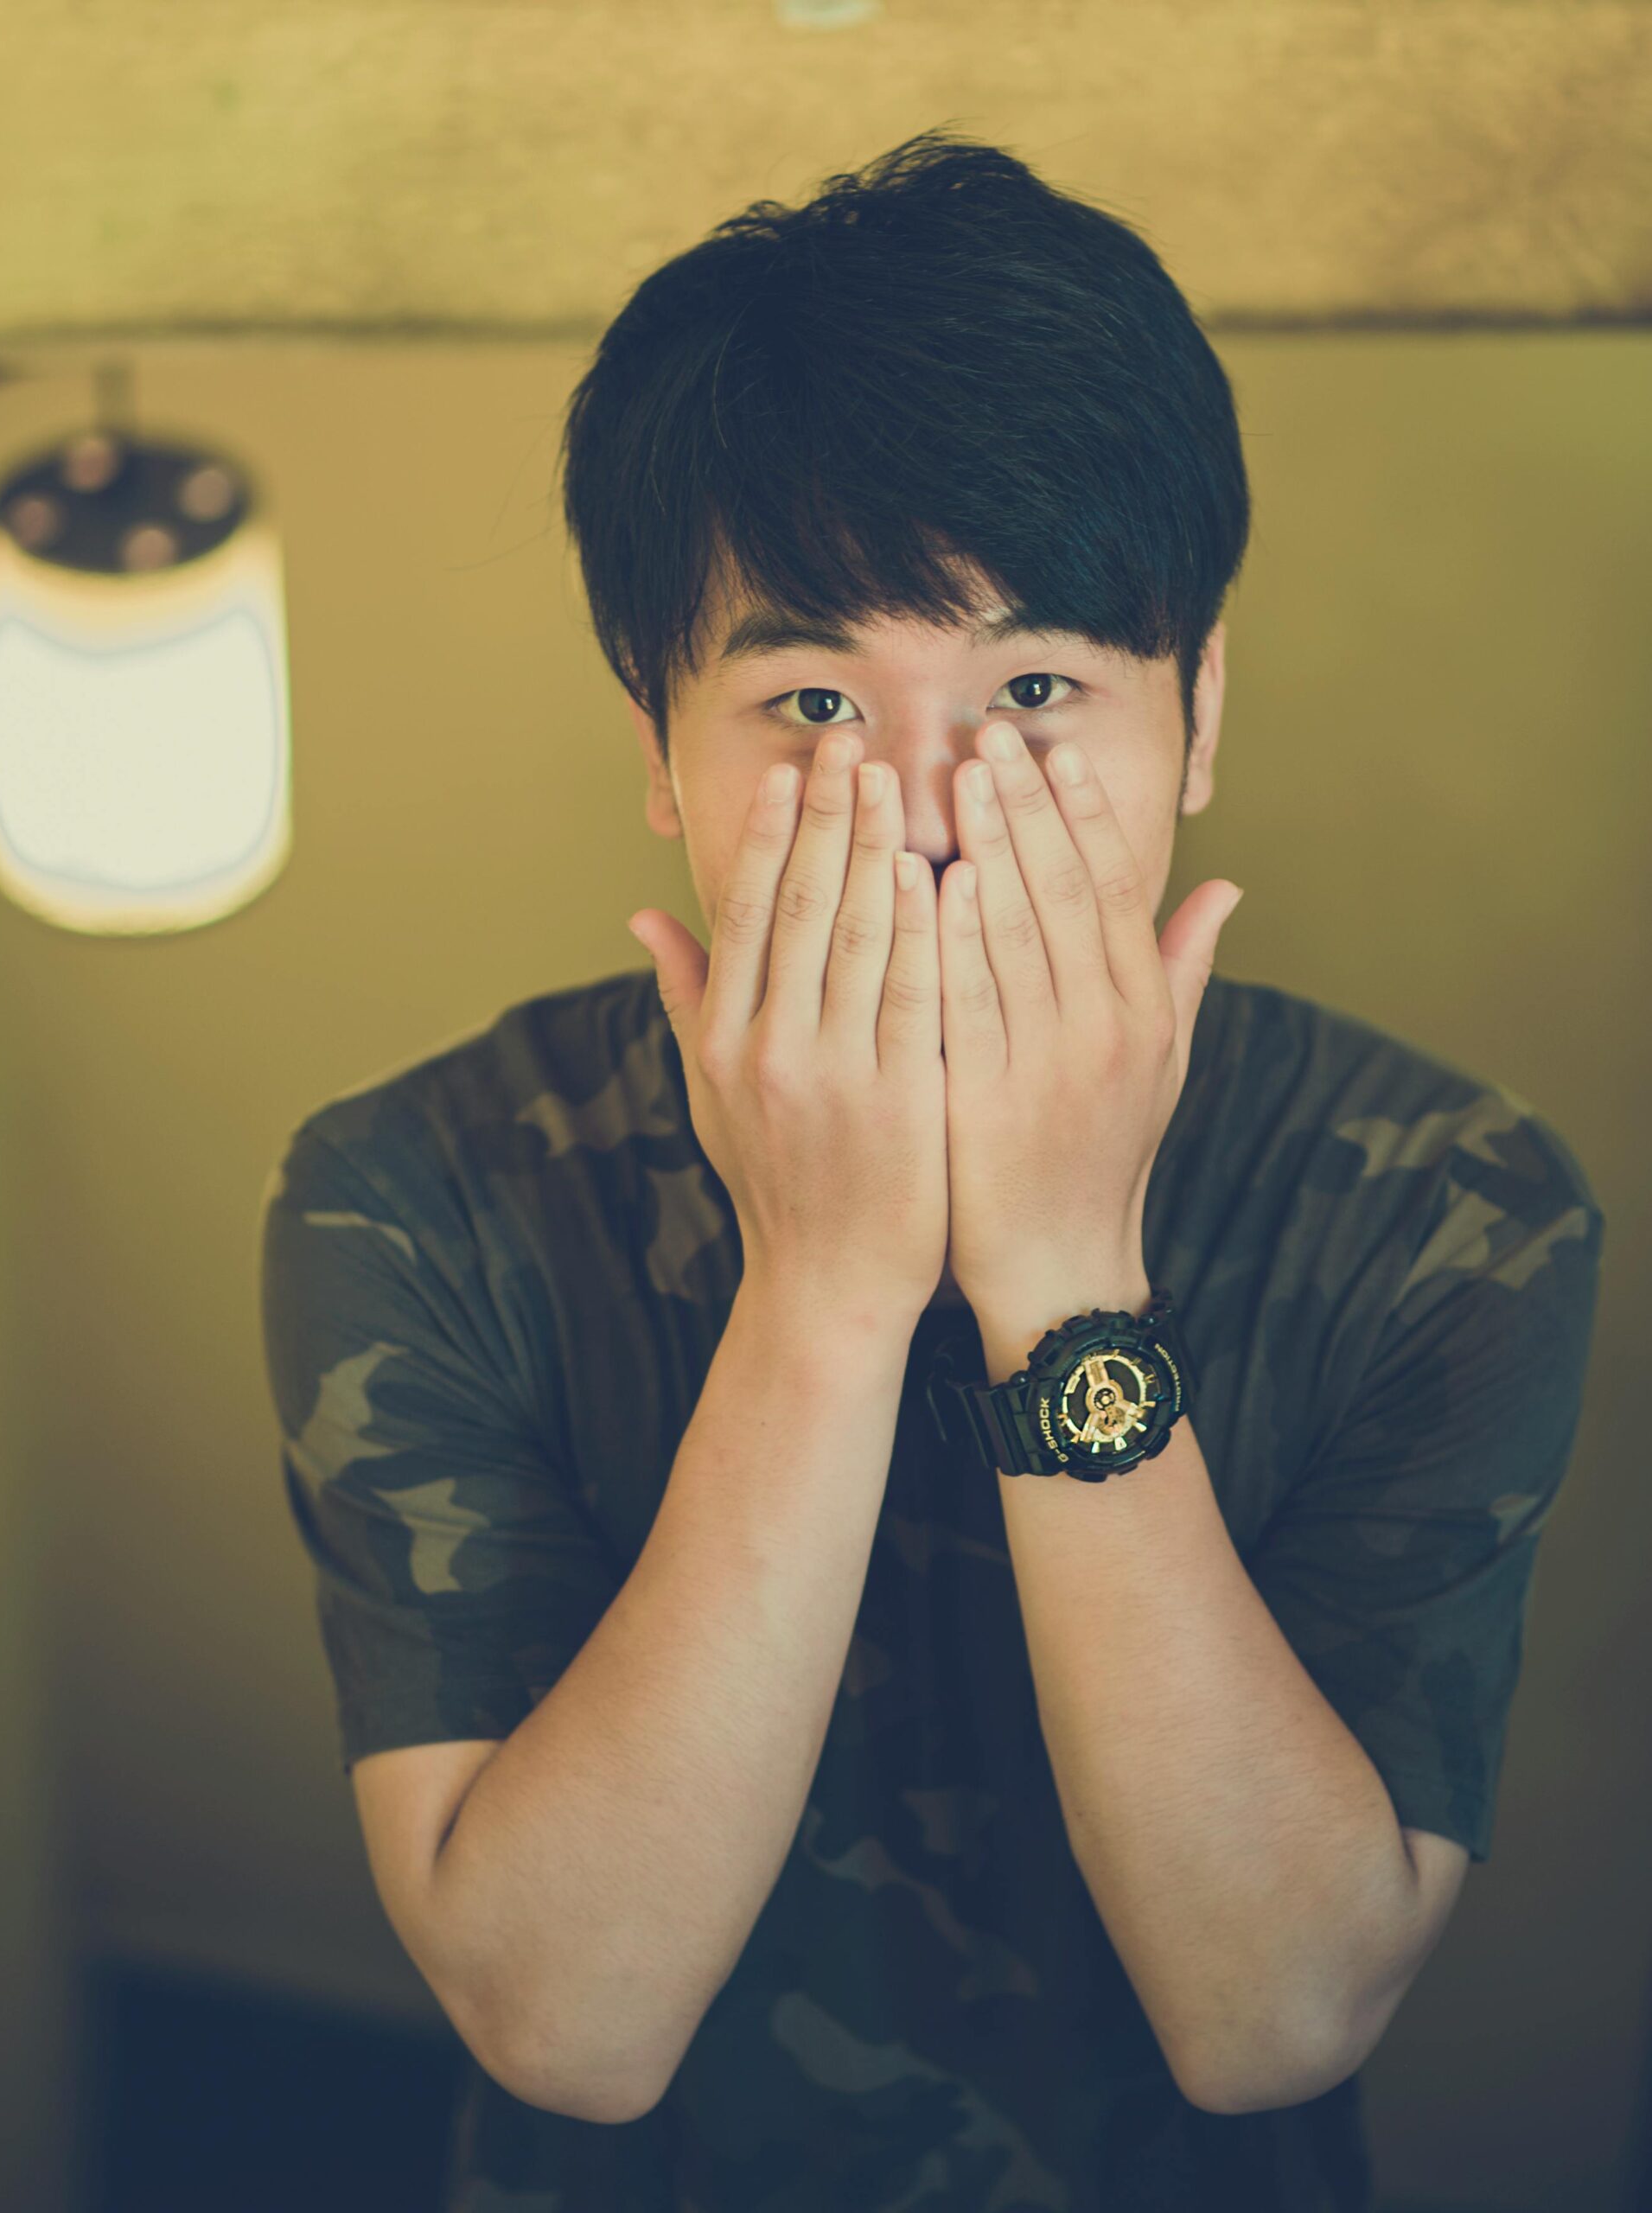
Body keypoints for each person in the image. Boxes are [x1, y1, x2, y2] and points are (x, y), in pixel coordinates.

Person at [258, 129, 1605, 2212]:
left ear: (1203, 712)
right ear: (657, 743)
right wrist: (825, 1284)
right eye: (809, 697)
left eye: (1039, 688)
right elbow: (568, 2023)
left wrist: (1064, 1268)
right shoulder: (412, 1195)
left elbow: (1275, 2018)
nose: (930, 814)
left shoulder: (1449, 1207)